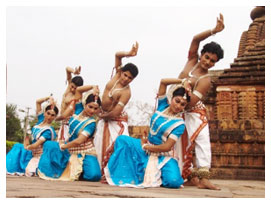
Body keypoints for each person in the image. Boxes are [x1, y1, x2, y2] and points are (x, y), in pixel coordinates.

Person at [104, 78, 190, 188]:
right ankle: (143, 172)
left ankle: (157, 173)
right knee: (122, 140)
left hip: (163, 155)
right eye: (177, 101)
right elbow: (163, 82)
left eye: (182, 104)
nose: (178, 106)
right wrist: (183, 81)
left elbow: (167, 146)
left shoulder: (179, 124)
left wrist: (147, 147)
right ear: (171, 98)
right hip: (146, 148)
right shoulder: (162, 105)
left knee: (173, 182)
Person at [178, 14, 224, 190]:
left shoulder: (205, 80)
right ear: (202, 54)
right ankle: (188, 175)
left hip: (193, 112)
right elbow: (195, 39)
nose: (208, 62)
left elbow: (190, 103)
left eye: (213, 61)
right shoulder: (191, 61)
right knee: (181, 143)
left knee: (201, 142)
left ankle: (204, 178)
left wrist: (182, 91)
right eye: (206, 57)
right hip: (178, 109)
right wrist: (214, 31)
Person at [94, 42, 139, 176]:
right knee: (99, 146)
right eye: (125, 75)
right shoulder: (117, 74)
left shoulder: (126, 92)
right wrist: (129, 54)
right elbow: (117, 55)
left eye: (130, 78)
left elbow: (115, 113)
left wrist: (101, 116)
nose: (126, 79)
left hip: (116, 121)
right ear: (122, 72)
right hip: (104, 118)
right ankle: (101, 173)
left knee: (118, 148)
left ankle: (117, 174)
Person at [37, 92, 102, 182]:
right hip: (69, 150)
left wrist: (64, 146)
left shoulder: (91, 123)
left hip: (85, 152)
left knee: (94, 175)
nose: (92, 111)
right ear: (85, 104)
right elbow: (78, 90)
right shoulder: (78, 109)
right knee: (48, 144)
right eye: (90, 107)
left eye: (95, 108)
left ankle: (80, 171)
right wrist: (93, 87)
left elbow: (79, 141)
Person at [6, 95, 58, 177]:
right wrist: (48, 98)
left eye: (52, 115)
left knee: (29, 171)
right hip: (31, 152)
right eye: (48, 113)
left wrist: (27, 146)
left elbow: (36, 145)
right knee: (17, 147)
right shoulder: (40, 121)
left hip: (39, 156)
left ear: (55, 117)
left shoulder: (49, 131)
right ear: (44, 113)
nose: (49, 117)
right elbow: (38, 102)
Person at [57, 66, 99, 142]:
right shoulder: (68, 90)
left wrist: (93, 86)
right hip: (62, 123)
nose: (73, 89)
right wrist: (74, 71)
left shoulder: (77, 97)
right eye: (72, 86)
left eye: (75, 88)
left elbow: (64, 115)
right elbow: (67, 69)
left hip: (69, 124)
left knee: (64, 147)